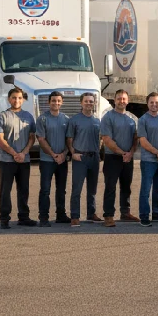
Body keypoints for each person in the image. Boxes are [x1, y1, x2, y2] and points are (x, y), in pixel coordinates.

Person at [0, 87, 37, 229]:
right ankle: (4, 219)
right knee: (5, 191)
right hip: (7, 161)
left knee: (24, 190)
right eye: (14, 97)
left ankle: (23, 217)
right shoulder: (2, 116)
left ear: (23, 100)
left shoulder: (28, 116)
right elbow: (0, 140)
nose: (16, 100)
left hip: (24, 160)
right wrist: (14, 154)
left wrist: (23, 153)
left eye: (19, 98)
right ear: (9, 99)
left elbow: (32, 137)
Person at [100, 89, 139, 227]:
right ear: (114, 100)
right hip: (112, 158)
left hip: (128, 158)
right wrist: (123, 153)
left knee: (126, 187)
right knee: (110, 187)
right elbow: (107, 139)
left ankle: (125, 212)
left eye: (124, 99)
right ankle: (108, 215)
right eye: (119, 98)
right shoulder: (108, 117)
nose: (121, 101)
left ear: (128, 101)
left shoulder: (133, 118)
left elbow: (135, 138)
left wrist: (131, 153)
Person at [35, 91, 70, 227]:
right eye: (53, 100)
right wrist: (54, 155)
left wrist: (64, 154)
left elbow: (69, 140)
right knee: (45, 190)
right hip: (47, 161)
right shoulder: (42, 119)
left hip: (62, 161)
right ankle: (43, 217)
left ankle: (61, 215)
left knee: (61, 190)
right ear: (49, 102)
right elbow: (41, 139)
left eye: (58, 101)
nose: (56, 103)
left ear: (62, 102)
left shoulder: (66, 119)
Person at [66, 93, 102, 227]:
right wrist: (73, 153)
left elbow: (100, 138)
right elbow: (69, 139)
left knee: (92, 188)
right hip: (80, 157)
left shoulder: (97, 120)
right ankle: (75, 216)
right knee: (77, 189)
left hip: (94, 157)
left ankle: (91, 213)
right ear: (81, 103)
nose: (89, 103)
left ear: (94, 103)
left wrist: (98, 152)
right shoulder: (74, 120)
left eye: (91, 101)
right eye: (86, 101)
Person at [137, 92, 158, 227]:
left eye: (157, 102)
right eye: (152, 102)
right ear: (147, 104)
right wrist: (157, 153)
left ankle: (156, 213)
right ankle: (144, 216)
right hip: (148, 161)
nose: (154, 105)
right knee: (146, 189)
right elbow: (143, 141)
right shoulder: (143, 120)